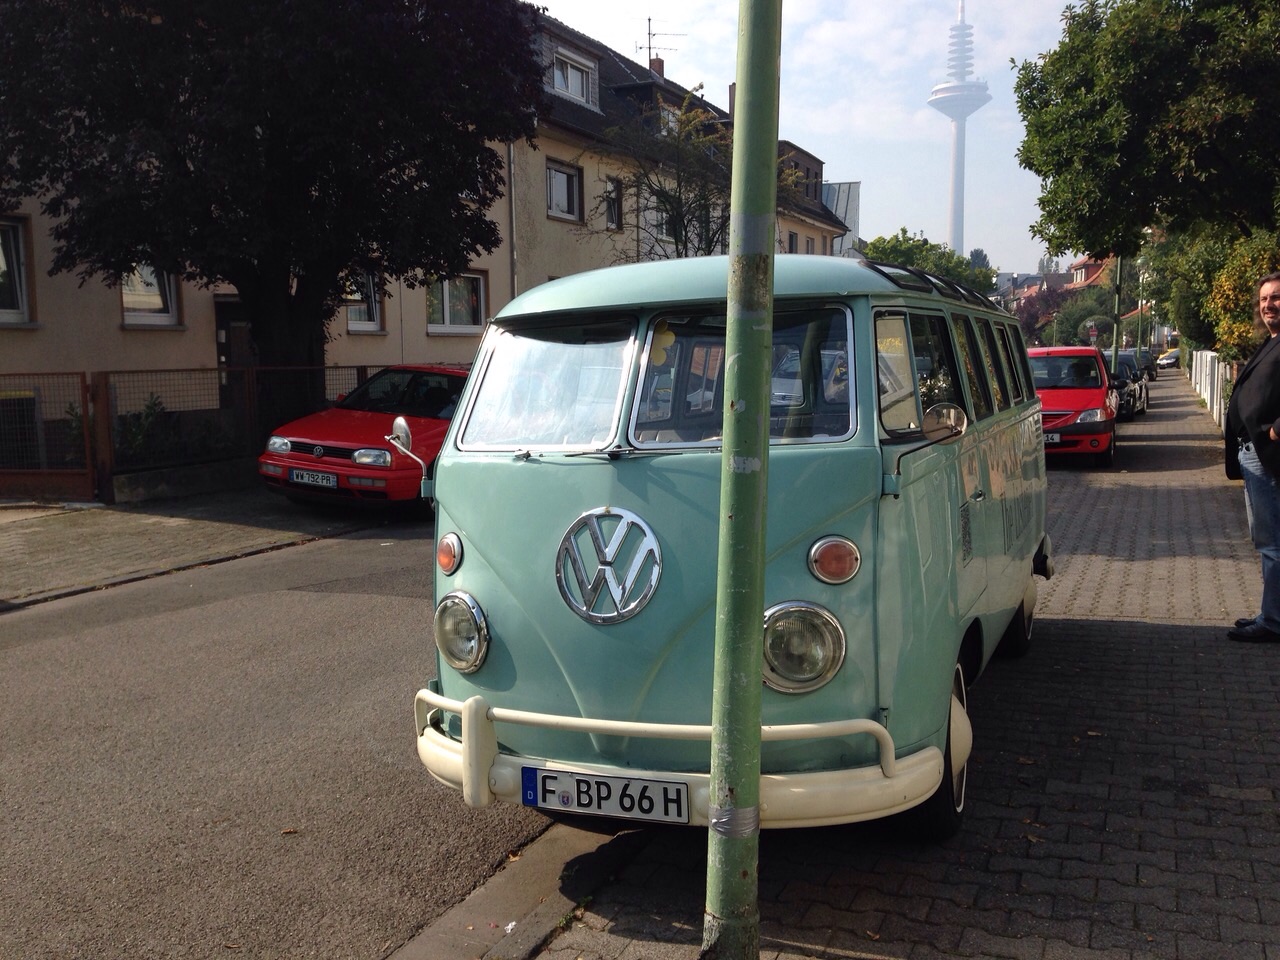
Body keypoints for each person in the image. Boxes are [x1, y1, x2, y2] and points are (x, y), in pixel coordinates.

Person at [1224, 270, 1280, 641]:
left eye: (1275, 297)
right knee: (1265, 540)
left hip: (1269, 454)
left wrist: (1277, 430)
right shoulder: (1271, 342)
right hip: (1252, 455)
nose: (1268, 305)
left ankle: (1273, 623)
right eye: (1263, 299)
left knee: (1273, 542)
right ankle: (1270, 613)